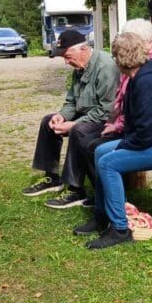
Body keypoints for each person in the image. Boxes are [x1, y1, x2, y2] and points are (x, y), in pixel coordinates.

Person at [74, 32, 152, 249]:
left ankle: (120, 229)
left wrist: (123, 145)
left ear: (120, 59)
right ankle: (102, 215)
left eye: (115, 56)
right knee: (101, 151)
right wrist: (121, 138)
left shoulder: (149, 81)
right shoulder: (137, 78)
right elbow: (137, 124)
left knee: (108, 163)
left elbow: (147, 133)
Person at [49, 18, 152, 209]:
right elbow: (122, 106)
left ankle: (107, 207)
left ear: (146, 44)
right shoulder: (134, 70)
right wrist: (63, 115)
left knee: (88, 140)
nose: (118, 56)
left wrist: (120, 135)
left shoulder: (145, 75)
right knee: (60, 127)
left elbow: (140, 122)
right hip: (125, 127)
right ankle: (57, 181)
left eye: (127, 43)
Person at [22, 29, 119, 199]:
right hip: (89, 116)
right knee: (48, 122)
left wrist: (74, 123)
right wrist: (62, 116)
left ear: (83, 49)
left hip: (107, 121)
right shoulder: (80, 66)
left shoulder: (106, 67)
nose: (66, 62)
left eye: (67, 57)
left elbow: (106, 111)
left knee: (78, 130)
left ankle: (76, 189)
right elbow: (72, 100)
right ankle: (52, 178)